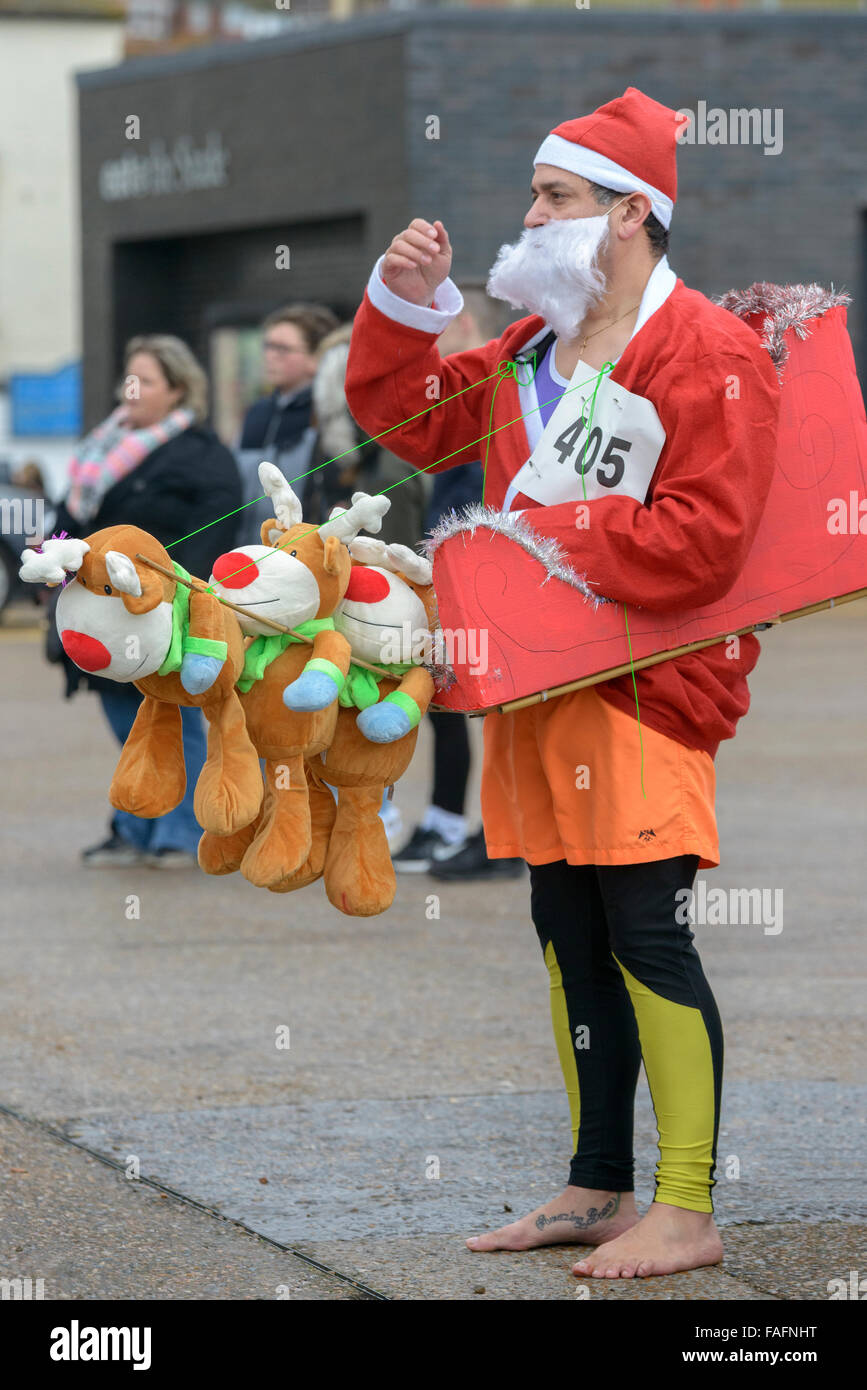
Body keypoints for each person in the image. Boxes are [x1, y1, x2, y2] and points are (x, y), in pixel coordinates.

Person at [345, 87, 781, 1278]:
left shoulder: (709, 349)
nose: (528, 216)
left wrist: (525, 546)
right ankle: (598, 1182)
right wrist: (403, 300)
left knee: (647, 932)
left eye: (556, 198)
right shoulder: (534, 346)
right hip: (536, 689)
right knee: (564, 928)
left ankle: (686, 1207)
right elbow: (401, 415)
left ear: (631, 214)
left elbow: (703, 541)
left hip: (647, 689)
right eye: (536, 195)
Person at [52, 334, 243, 868]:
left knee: (171, 718)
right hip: (94, 610)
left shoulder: (201, 453)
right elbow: (71, 519)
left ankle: (180, 833)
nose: (131, 390)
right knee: (125, 722)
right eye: (128, 378)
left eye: (147, 381)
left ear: (179, 390)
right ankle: (134, 826)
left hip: (155, 611)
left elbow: (217, 525)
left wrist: (165, 589)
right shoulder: (102, 444)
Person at [392, 288, 523, 881]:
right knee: (447, 701)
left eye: (435, 335)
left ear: (464, 324)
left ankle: (507, 838)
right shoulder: (465, 403)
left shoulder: (496, 401)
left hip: (489, 586)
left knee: (505, 712)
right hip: (453, 579)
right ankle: (458, 824)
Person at [235, 303, 339, 540]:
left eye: (282, 348)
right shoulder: (256, 412)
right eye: (267, 346)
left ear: (316, 357)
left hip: (303, 552)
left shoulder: (327, 414)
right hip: (248, 548)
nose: (270, 356)